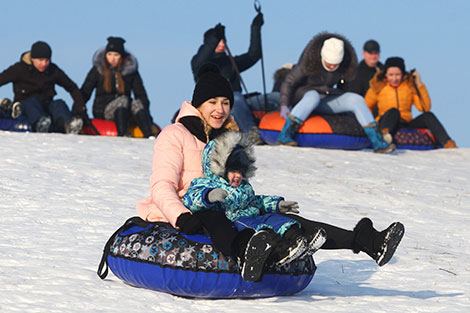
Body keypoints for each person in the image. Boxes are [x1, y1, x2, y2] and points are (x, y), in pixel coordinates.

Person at [136, 63, 279, 283]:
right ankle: (245, 253)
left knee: (263, 212)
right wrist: (181, 216)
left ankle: (286, 248)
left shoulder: (226, 139)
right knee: (213, 217)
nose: (220, 109)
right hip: (186, 207)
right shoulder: (175, 134)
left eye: (225, 103)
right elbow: (162, 185)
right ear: (199, 104)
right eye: (212, 102)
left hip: (222, 205)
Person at [183, 131, 327, 271]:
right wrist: (209, 196)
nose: (238, 176)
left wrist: (277, 205)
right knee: (260, 229)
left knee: (276, 220)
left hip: (254, 214)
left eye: (241, 171)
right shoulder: (206, 183)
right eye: (233, 171)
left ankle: (299, 241)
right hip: (235, 220)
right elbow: (190, 199)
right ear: (219, 168)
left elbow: (256, 201)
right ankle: (280, 251)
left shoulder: (245, 186)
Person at [276, 33, 395, 153]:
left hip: (325, 98)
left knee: (356, 99)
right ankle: (285, 135)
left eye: (335, 65)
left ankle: (377, 141)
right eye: (329, 64)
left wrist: (344, 110)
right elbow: (289, 82)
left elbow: (344, 88)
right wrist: (284, 105)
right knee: (313, 96)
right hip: (303, 97)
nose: (332, 66)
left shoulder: (346, 65)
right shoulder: (309, 61)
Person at [191, 12, 264, 143]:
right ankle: (251, 133)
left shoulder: (231, 62)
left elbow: (254, 55)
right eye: (219, 41)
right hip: (224, 102)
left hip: (241, 101)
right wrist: (214, 37)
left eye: (223, 40)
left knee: (274, 98)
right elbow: (200, 61)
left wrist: (255, 28)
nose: (222, 43)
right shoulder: (200, 63)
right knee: (233, 99)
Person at [365, 57, 457, 148]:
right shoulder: (378, 87)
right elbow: (366, 106)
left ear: (403, 74)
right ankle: (384, 136)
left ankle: (447, 142)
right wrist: (372, 122)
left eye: (397, 74)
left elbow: (424, 108)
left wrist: (419, 84)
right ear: (385, 75)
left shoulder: (409, 86)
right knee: (394, 111)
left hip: (405, 122)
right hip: (386, 121)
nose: (394, 78)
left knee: (428, 115)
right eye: (391, 75)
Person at [0, 41, 85, 133]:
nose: (44, 64)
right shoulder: (19, 69)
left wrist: (79, 108)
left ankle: (69, 124)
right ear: (32, 59)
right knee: (32, 102)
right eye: (40, 60)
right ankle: (40, 124)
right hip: (25, 107)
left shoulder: (53, 70)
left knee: (58, 104)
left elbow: (72, 87)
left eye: (47, 60)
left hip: (46, 105)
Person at [80, 37, 155, 138]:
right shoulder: (98, 70)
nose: (112, 58)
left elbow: (141, 94)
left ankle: (149, 135)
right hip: (103, 109)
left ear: (121, 56)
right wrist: (78, 111)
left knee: (136, 102)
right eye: (109, 54)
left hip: (125, 110)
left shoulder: (131, 72)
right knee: (123, 99)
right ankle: (122, 134)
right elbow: (85, 91)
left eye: (116, 55)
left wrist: (146, 113)